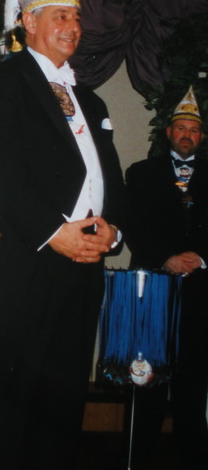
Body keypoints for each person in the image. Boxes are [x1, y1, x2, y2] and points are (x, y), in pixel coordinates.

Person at [0, 0, 126, 470]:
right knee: (2, 409)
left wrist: (113, 231)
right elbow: (1, 174)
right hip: (23, 267)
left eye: (76, 17)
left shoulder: (91, 99)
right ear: (29, 22)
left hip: (83, 269)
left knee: (61, 404)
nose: (73, 27)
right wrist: (55, 232)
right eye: (59, 16)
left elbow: (110, 180)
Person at [125, 86, 208, 469]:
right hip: (154, 288)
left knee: (195, 382)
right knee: (148, 377)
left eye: (194, 129)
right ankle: (138, 457)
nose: (187, 134)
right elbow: (134, 224)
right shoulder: (141, 173)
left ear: (201, 136)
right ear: (169, 132)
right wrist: (166, 258)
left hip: (201, 294)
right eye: (181, 128)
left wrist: (200, 258)